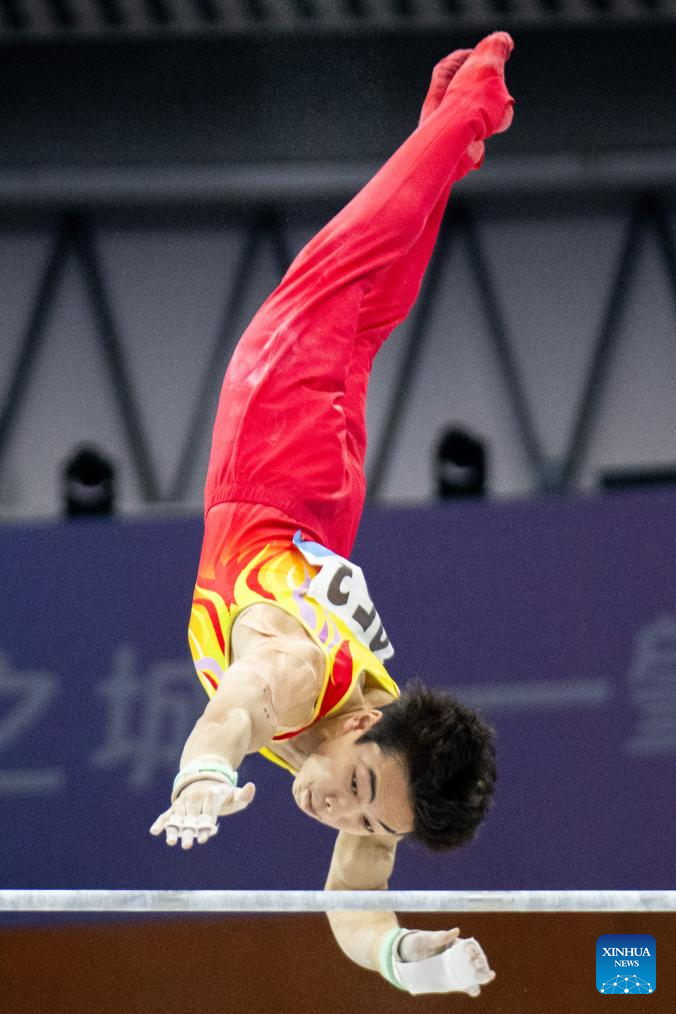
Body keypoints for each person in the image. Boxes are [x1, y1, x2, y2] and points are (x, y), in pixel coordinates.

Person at [151, 31, 515, 998]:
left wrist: (409, 962)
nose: (338, 813)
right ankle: (477, 102)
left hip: (315, 507)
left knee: (370, 302)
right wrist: (202, 776)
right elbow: (235, 709)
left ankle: (448, 122)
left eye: (367, 823)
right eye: (359, 793)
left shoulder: (370, 777)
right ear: (369, 716)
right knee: (348, 271)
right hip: (274, 453)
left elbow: (354, 908)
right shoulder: (303, 677)